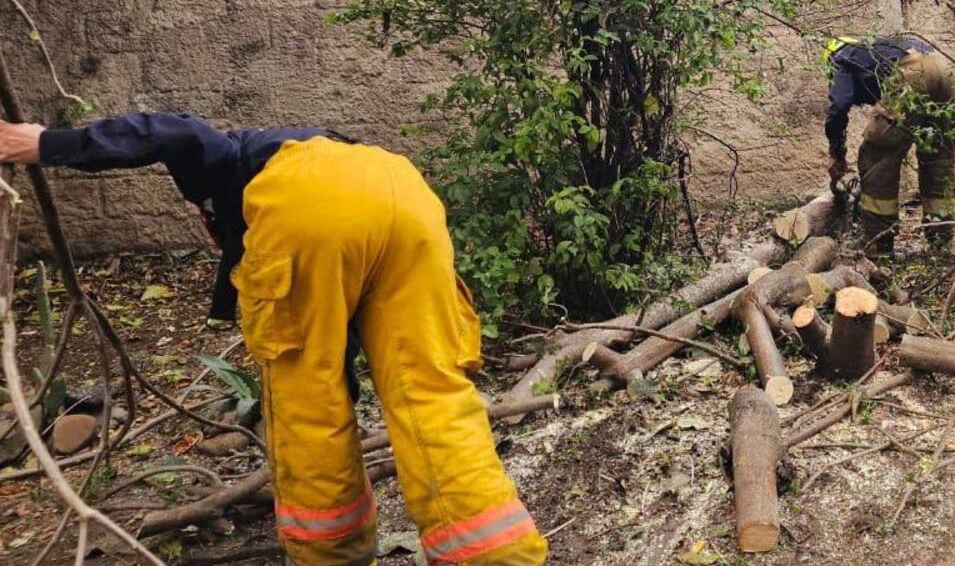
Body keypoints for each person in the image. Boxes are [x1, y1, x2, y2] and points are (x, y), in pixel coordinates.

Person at [0, 112, 547, 566]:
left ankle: (331, 553)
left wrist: (46, 144)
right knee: (430, 387)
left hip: (308, 204)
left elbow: (171, 132)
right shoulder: (320, 147)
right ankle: (494, 553)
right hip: (407, 195)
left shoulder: (233, 157)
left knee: (307, 397)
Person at [823, 37, 955, 255]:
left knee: (877, 155)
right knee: (938, 154)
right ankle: (941, 239)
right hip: (943, 67)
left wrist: (836, 152)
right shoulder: (873, 51)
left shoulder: (842, 58)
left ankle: (879, 240)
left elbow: (839, 106)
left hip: (912, 72)